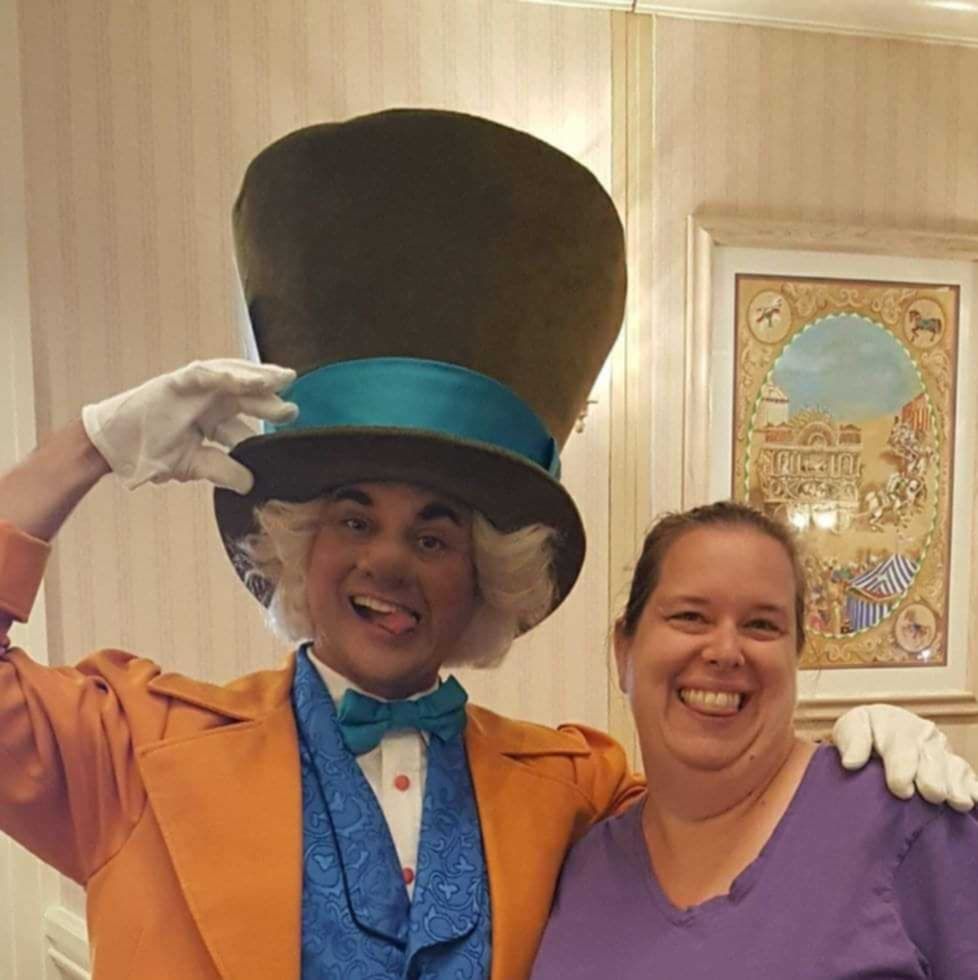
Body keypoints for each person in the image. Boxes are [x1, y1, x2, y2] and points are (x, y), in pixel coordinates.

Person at [0, 111, 970, 980]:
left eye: (434, 532)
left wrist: (857, 759)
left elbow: (722, 791)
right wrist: (76, 452)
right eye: (352, 517)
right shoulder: (134, 747)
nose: (389, 560)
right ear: (296, 546)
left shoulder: (570, 788)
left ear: (488, 575)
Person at [531, 501, 978, 979]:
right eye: (690, 616)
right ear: (625, 650)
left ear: (796, 656)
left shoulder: (905, 821)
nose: (725, 651)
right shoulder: (581, 865)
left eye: (761, 625)